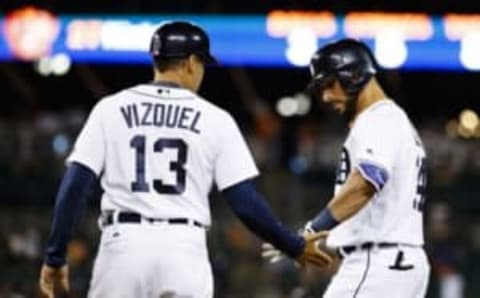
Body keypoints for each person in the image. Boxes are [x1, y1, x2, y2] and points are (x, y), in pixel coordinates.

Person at [38, 21, 332, 298]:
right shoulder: (216, 119)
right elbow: (245, 202)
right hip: (183, 248)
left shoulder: (110, 108)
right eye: (202, 63)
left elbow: (75, 185)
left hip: (123, 246)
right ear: (191, 62)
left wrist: (55, 256)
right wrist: (292, 245)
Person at [265, 39, 430, 297]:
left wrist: (311, 230)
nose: (326, 96)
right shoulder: (393, 120)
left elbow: (364, 184)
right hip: (397, 262)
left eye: (330, 83)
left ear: (354, 74)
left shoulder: (378, 119)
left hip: (378, 263)